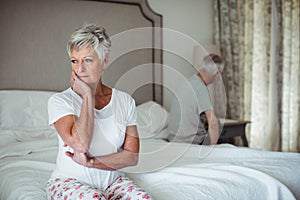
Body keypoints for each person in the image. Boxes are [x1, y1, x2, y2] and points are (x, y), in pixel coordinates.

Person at [47, 24, 153, 200]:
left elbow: (132, 157)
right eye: (75, 60)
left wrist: (92, 162)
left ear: (104, 61)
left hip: (113, 181)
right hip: (69, 182)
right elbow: (81, 144)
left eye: (88, 60)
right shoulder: (59, 101)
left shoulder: (125, 101)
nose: (79, 69)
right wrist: (88, 96)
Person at [166, 53, 224, 145]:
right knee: (218, 125)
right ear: (217, 74)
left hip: (172, 139)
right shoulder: (201, 88)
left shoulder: (187, 83)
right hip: (190, 141)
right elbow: (213, 122)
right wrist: (213, 149)